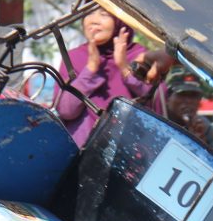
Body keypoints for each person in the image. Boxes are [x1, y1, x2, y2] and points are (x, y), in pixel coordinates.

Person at [52, 8, 151, 146]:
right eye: (88, 13)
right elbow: (66, 111)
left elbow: (155, 101)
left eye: (104, 15)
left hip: (127, 149)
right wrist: (91, 69)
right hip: (81, 152)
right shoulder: (74, 57)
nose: (94, 21)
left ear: (120, 21)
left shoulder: (141, 56)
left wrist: (123, 66)